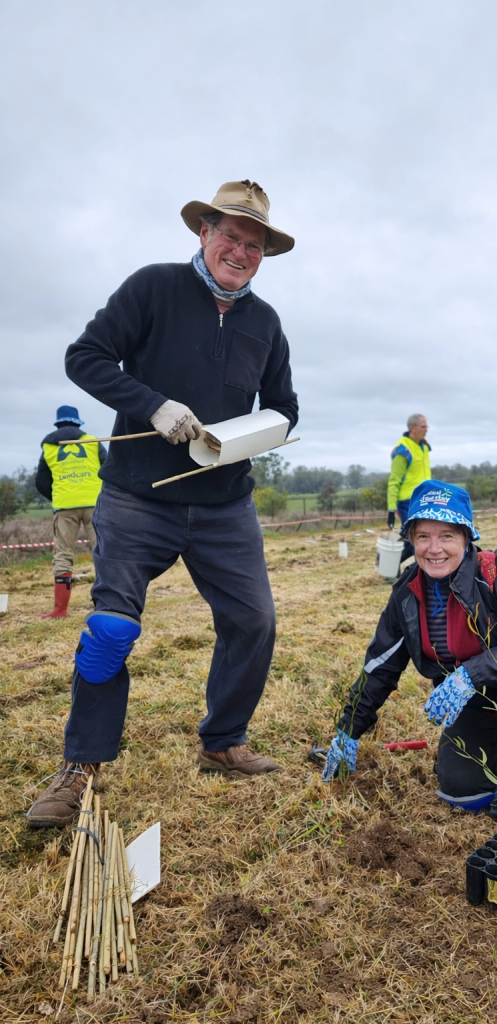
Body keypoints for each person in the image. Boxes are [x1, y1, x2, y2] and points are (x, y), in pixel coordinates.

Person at [27, 180, 298, 828]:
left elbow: (285, 410)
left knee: (254, 622)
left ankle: (222, 740)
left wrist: (244, 437)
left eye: (253, 243)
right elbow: (83, 356)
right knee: (112, 627)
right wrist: (151, 403)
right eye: (230, 235)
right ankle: (79, 767)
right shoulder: (151, 288)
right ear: (203, 233)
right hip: (136, 496)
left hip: (225, 504)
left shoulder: (265, 323)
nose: (240, 250)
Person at [322, 480, 497, 814]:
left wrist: (473, 673)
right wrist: (348, 731)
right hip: (474, 700)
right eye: (423, 536)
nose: (434, 548)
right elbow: (380, 665)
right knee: (462, 790)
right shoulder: (407, 593)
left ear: (467, 537)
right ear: (411, 540)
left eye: (447, 536)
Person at [35, 406, 106, 619]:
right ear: (78, 423)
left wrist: (60, 496)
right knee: (103, 553)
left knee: (63, 555)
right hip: (96, 504)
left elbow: (41, 481)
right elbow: (110, 467)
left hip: (65, 506)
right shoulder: (92, 442)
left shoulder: (48, 446)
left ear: (58, 423)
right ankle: (106, 607)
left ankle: (60, 610)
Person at [386, 414, 431, 562]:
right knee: (416, 540)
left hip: (424, 500)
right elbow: (394, 481)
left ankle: (388, 563)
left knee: (421, 537)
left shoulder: (424, 446)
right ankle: (389, 564)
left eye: (427, 426)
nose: (427, 429)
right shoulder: (403, 450)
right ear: (413, 428)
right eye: (423, 426)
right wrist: (391, 509)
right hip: (407, 502)